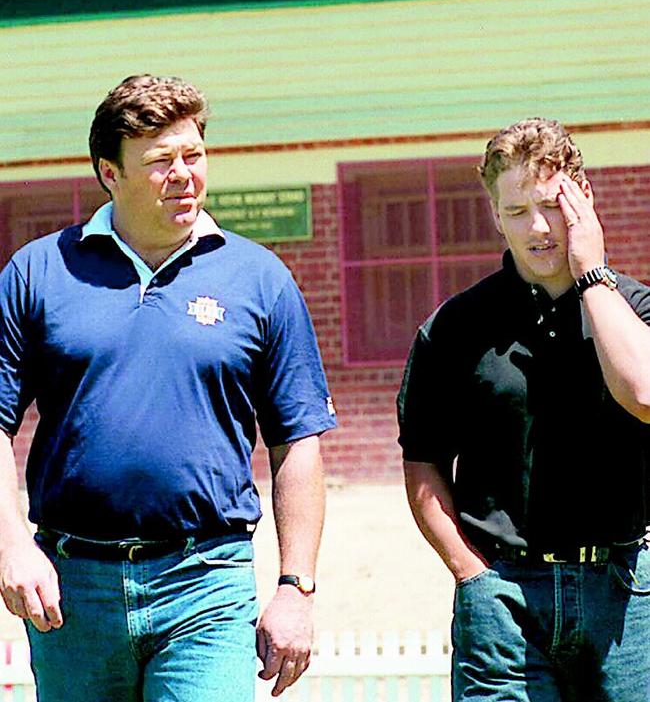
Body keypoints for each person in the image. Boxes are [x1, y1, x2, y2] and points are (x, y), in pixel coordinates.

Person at [0, 74, 337, 702]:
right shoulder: (38, 272)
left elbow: (299, 442)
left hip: (207, 580)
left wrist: (297, 586)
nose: (183, 174)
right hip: (72, 589)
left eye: (194, 155)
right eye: (159, 161)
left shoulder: (259, 278)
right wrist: (11, 545)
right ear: (110, 172)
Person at [397, 117, 650, 702]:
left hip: (626, 594)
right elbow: (423, 467)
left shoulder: (638, 309)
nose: (537, 228)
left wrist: (592, 276)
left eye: (551, 205)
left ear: (583, 198)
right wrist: (470, 574)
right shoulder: (454, 329)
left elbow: (643, 393)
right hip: (502, 596)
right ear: (494, 216)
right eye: (516, 212)